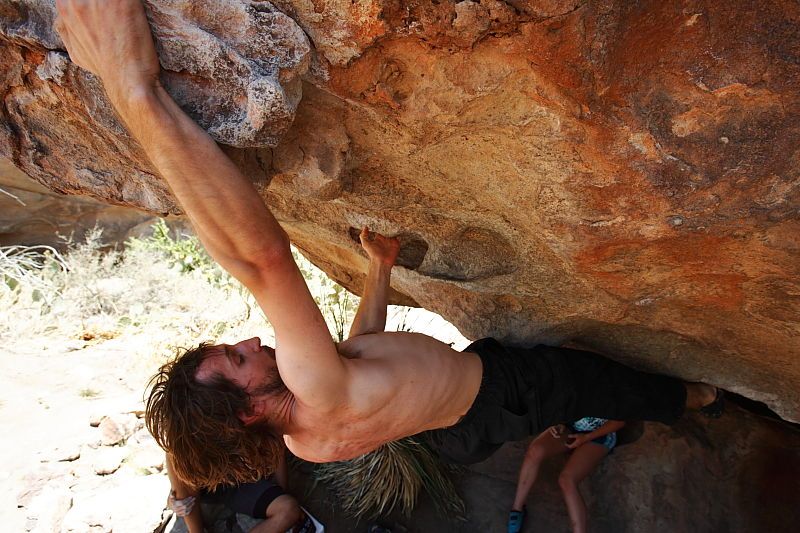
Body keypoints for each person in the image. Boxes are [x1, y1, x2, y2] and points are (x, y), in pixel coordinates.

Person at [55, 0, 725, 491]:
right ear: (251, 407)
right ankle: (696, 399)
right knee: (600, 381)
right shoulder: (310, 384)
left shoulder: (312, 438)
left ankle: (621, 410)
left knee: (569, 382)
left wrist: (377, 270)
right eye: (237, 358)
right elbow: (259, 259)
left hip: (457, 433)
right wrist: (129, 87)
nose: (253, 343)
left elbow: (358, 355)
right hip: (503, 389)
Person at [507, 418, 625, 533]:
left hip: (599, 435)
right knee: (535, 451)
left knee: (567, 480)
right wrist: (557, 421)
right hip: (570, 427)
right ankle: (517, 509)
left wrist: (585, 438)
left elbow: (619, 422)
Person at [165, 446, 305, 533]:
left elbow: (275, 444)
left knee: (288, 509)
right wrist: (172, 502)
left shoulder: (240, 406)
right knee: (174, 453)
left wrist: (281, 491)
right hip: (202, 496)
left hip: (240, 482)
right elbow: (178, 487)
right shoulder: (180, 444)